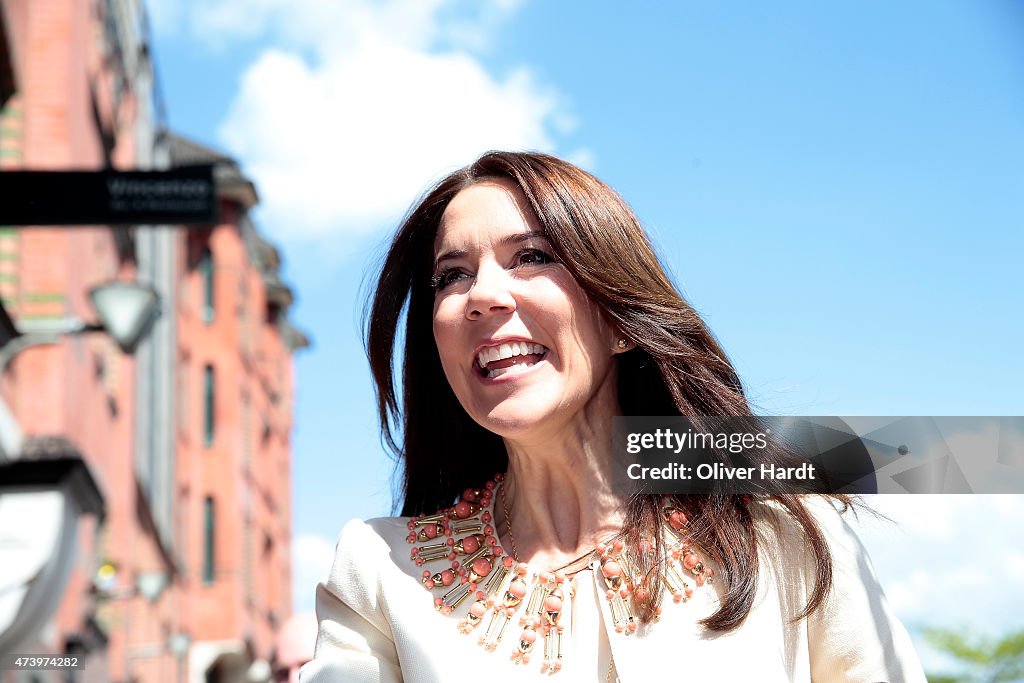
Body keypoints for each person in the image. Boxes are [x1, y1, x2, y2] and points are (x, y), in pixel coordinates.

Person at [300, 152, 925, 682]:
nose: (482, 295)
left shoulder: (783, 522)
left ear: (621, 320)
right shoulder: (378, 571)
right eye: (452, 276)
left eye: (532, 257)